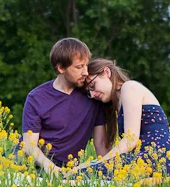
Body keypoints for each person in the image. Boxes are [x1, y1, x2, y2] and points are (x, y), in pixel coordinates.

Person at [15, 38, 109, 175]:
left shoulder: (93, 96)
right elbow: (30, 146)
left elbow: (100, 144)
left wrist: (112, 171)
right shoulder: (36, 98)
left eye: (86, 65)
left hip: (68, 168)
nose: (86, 72)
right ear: (61, 68)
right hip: (31, 162)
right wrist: (50, 168)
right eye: (79, 67)